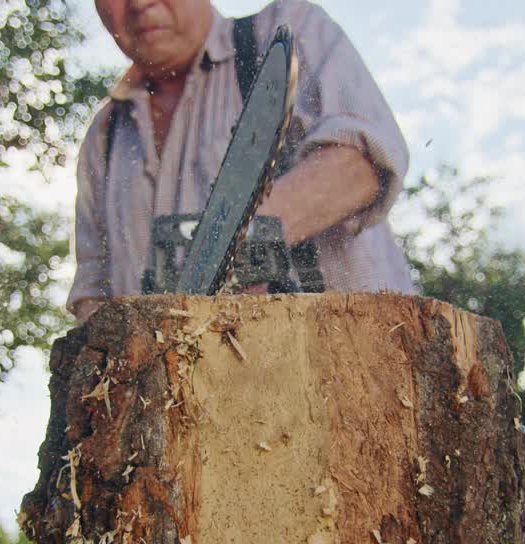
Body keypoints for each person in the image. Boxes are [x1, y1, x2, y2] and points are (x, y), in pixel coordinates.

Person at [69, 0, 414, 322]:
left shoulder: (284, 32)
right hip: (176, 382)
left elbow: (360, 161)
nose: (140, 3)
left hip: (341, 359)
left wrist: (239, 245)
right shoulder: (105, 134)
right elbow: (93, 284)